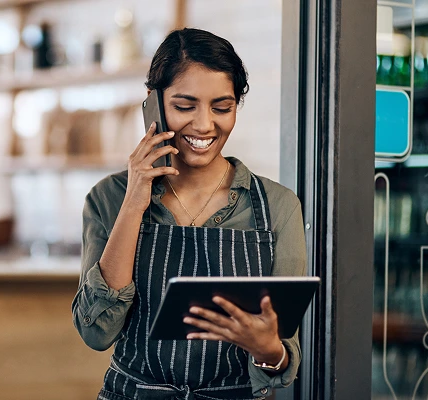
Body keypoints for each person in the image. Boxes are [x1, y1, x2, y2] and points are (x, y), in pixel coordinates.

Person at [72, 28, 307, 399]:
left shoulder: (277, 206)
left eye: (222, 107)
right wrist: (134, 202)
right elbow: (96, 332)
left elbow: (283, 363)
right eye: (184, 106)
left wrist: (267, 350)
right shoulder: (108, 198)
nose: (204, 125)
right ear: (153, 103)